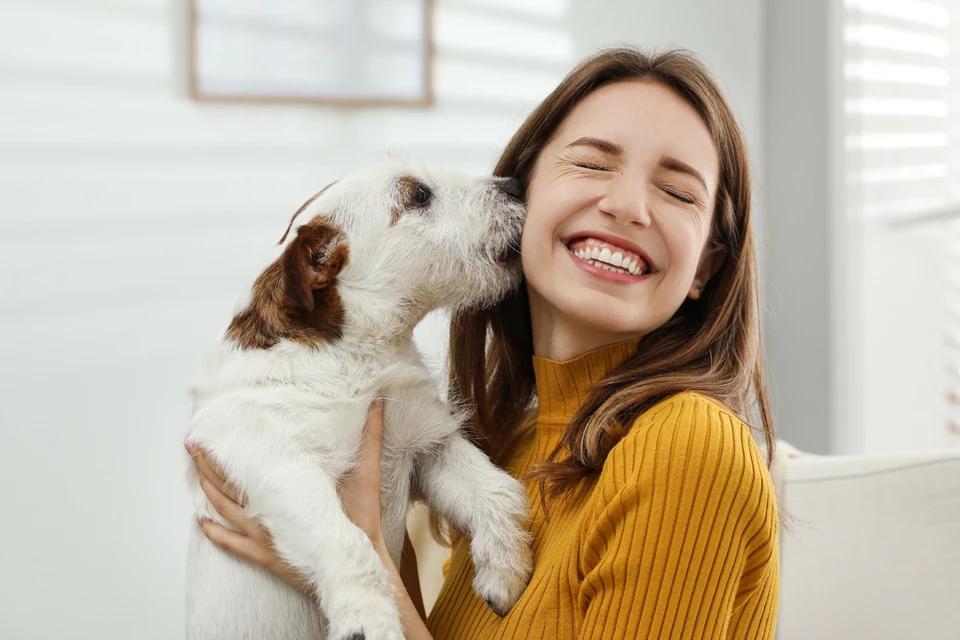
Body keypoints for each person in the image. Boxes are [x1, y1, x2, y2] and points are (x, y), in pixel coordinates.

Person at [187, 46, 782, 639]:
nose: (626, 206)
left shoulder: (688, 446)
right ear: (523, 190)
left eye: (678, 192)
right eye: (594, 164)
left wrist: (362, 558)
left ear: (706, 266)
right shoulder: (517, 445)